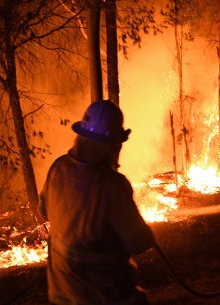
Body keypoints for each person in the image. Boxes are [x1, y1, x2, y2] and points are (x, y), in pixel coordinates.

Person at [38, 100, 154, 305]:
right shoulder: (112, 185)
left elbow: (44, 210)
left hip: (61, 295)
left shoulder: (58, 168)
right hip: (105, 297)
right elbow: (139, 241)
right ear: (112, 145)